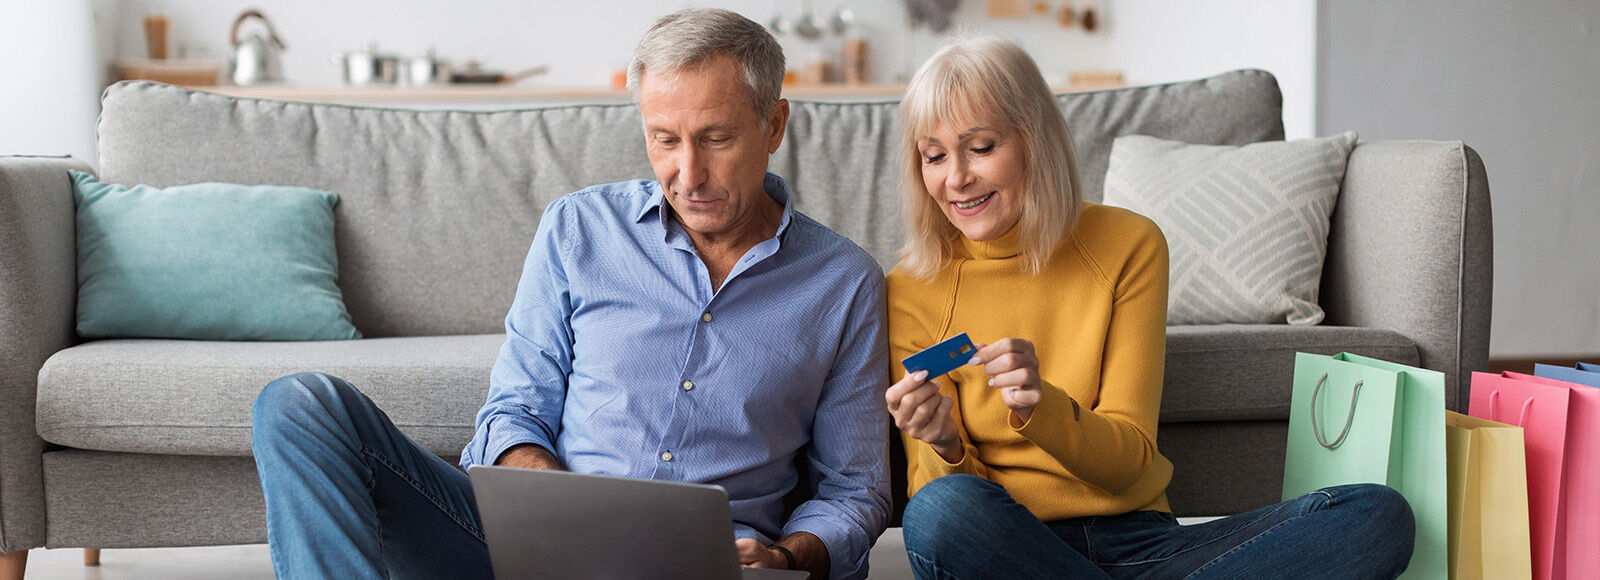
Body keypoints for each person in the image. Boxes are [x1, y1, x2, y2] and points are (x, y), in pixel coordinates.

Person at [250, 9, 890, 580]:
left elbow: (854, 491)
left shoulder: (843, 281)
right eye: (664, 140)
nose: (688, 175)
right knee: (300, 404)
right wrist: (563, 513)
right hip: (530, 545)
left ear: (774, 125)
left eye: (716, 139)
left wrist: (785, 558)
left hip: (704, 564)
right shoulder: (579, 228)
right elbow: (513, 411)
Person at [883, 36, 1416, 579]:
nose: (956, 178)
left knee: (1376, 516)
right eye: (934, 156)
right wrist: (943, 445)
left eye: (980, 147)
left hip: (1142, 545)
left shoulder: (1127, 244)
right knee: (940, 511)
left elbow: (1128, 463)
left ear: (1034, 141)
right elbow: (944, 516)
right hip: (1011, 549)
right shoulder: (910, 288)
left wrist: (1043, 407)